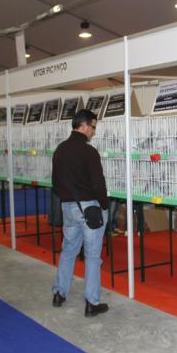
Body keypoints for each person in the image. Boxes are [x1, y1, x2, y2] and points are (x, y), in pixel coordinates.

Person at [51, 109, 109, 317]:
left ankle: (59, 293)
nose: (93, 131)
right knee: (92, 256)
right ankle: (92, 302)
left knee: (68, 251)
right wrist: (104, 206)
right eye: (93, 127)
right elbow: (98, 184)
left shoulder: (60, 150)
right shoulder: (89, 152)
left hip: (68, 207)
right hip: (90, 208)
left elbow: (55, 183)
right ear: (84, 126)